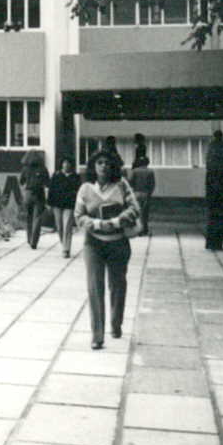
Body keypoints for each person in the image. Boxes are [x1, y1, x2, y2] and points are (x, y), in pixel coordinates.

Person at [74, 149, 140, 349]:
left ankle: (116, 323)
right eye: (100, 162)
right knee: (95, 287)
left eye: (107, 163)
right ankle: (97, 335)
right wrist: (96, 224)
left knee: (117, 285)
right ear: (93, 166)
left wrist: (116, 221)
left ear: (113, 167)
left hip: (118, 243)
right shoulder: (85, 189)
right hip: (93, 243)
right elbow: (78, 216)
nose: (104, 166)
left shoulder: (122, 185)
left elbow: (135, 209)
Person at [47, 156, 82, 258]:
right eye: (64, 162)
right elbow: (51, 190)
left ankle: (66, 249)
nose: (66, 165)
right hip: (57, 204)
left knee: (67, 226)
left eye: (68, 163)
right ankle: (64, 244)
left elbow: (79, 192)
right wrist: (49, 204)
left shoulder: (75, 177)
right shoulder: (56, 175)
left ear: (71, 164)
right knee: (60, 227)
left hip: (69, 205)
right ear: (61, 164)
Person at [204, 128, 223, 251]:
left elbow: (208, 160)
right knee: (219, 220)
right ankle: (217, 244)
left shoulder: (211, 146)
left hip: (212, 191)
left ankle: (210, 243)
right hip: (220, 190)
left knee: (212, 219)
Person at [19, 150, 51, 250]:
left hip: (28, 194)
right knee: (37, 218)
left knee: (28, 217)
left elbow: (21, 181)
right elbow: (47, 183)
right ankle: (34, 241)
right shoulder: (43, 168)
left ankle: (29, 239)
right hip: (39, 194)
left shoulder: (25, 168)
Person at [128, 154, 156, 238]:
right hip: (145, 193)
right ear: (147, 163)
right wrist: (149, 193)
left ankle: (138, 229)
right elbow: (152, 184)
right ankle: (144, 230)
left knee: (137, 212)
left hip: (136, 193)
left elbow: (130, 182)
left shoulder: (134, 171)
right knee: (145, 213)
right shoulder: (150, 171)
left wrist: (132, 192)